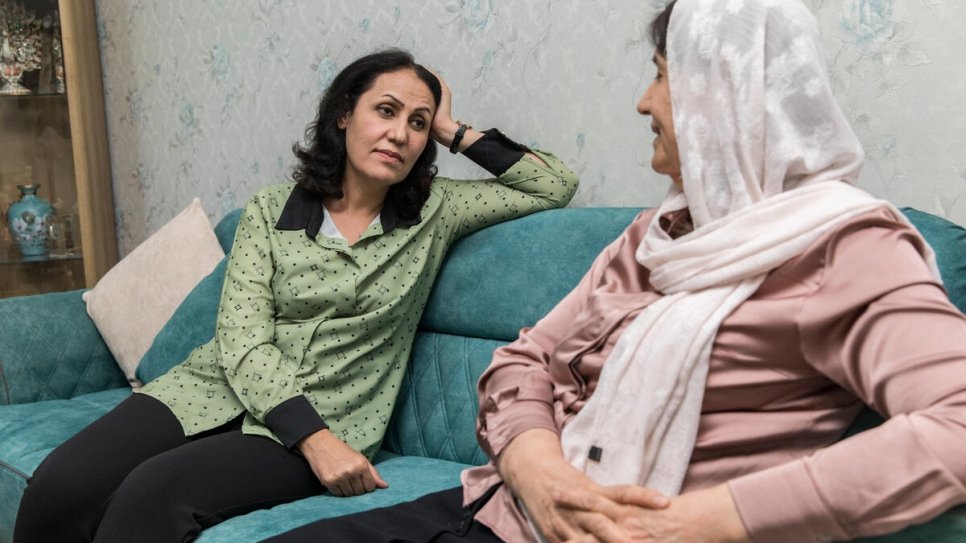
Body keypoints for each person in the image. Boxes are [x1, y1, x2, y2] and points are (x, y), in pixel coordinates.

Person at [264, 1, 966, 542]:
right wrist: (534, 463)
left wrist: (708, 519)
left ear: (720, 95)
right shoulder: (656, 234)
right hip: (499, 504)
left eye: (660, 78)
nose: (642, 102)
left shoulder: (849, 247)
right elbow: (524, 359)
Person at [13, 48, 577, 542]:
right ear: (343, 114)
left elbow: (553, 182)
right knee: (63, 484)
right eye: (386, 110)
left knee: (150, 496)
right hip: (214, 387)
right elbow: (242, 337)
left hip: (333, 416)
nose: (401, 134)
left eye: (418, 123)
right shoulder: (270, 209)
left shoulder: (438, 209)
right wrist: (310, 438)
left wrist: (453, 128)